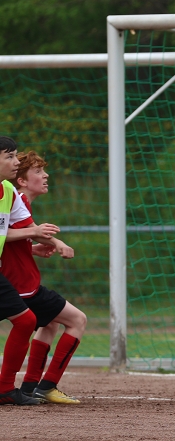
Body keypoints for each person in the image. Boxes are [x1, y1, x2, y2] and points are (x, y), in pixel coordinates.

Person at [2, 150, 86, 404]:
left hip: (21, 283)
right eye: (37, 172)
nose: (45, 175)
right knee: (77, 320)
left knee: (48, 323)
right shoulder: (15, 198)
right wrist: (56, 243)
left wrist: (34, 247)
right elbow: (9, 233)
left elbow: (12, 237)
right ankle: (43, 385)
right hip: (20, 285)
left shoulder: (16, 201)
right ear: (22, 180)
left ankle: (29, 387)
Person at [0, 136, 49, 406]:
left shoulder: (7, 190)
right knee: (27, 320)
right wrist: (35, 233)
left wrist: (34, 243)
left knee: (26, 320)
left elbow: (12, 231)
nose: (15, 162)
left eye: (16, 156)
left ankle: (5, 388)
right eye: (9, 157)